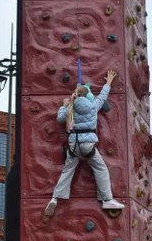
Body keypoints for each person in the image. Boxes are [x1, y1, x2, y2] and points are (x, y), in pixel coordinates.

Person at [44, 71, 125, 217]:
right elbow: (102, 96)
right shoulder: (93, 106)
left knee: (67, 171)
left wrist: (64, 105)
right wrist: (108, 82)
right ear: (88, 95)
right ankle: (107, 199)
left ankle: (55, 198)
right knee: (100, 169)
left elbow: (60, 119)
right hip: (88, 144)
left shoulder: (70, 107)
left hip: (73, 144)